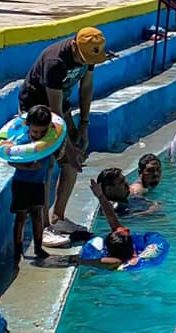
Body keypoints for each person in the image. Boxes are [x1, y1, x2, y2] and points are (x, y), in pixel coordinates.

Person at [21, 26, 110, 234]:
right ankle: (44, 227)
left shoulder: (89, 53)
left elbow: (86, 88)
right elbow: (54, 110)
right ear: (74, 45)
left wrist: (84, 124)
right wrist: (67, 146)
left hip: (61, 106)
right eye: (84, 58)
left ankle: (58, 218)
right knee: (48, 164)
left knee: (71, 163)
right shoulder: (55, 62)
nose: (87, 62)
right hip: (38, 112)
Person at [8, 103, 56, 261]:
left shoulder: (49, 140)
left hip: (37, 183)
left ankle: (38, 248)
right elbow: (11, 161)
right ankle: (17, 251)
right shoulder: (22, 142)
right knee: (21, 217)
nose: (39, 135)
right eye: (35, 131)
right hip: (21, 183)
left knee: (37, 215)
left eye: (42, 132)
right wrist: (27, 167)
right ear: (28, 126)